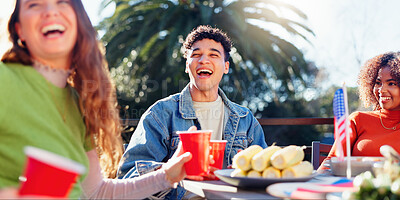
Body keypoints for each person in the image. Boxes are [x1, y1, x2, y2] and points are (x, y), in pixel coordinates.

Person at [0, 0, 192, 199]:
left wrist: (167, 175)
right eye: (34, 5)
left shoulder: (77, 102)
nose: (50, 11)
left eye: (62, 2)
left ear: (79, 23)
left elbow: (97, 192)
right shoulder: (4, 80)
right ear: (19, 29)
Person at [117, 25, 268, 199]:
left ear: (226, 67)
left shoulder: (245, 119)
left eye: (213, 54)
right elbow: (128, 176)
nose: (204, 60)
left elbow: (263, 174)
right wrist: (170, 171)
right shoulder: (160, 114)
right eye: (196, 55)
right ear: (187, 66)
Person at [320, 51, 400, 170]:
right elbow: (330, 163)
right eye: (378, 83)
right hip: (355, 186)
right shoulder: (358, 119)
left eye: (391, 83)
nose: (381, 90)